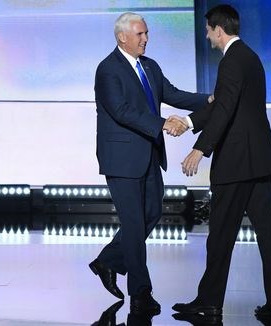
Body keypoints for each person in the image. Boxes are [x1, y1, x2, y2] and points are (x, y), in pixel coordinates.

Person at [171, 4, 271, 318]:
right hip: (260, 159)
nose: (208, 37)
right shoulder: (249, 57)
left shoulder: (231, 62)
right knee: (267, 234)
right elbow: (221, 103)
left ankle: (209, 301)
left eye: (208, 31)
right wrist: (189, 121)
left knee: (221, 235)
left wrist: (200, 148)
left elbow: (225, 109)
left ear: (218, 30)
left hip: (236, 163)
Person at [90, 12, 210, 315]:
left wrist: (210, 100)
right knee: (132, 224)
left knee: (152, 213)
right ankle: (141, 293)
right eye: (140, 34)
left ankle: (109, 260)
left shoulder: (150, 67)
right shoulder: (108, 70)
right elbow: (121, 110)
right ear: (123, 37)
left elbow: (173, 94)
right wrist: (162, 124)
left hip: (149, 155)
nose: (146, 39)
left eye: (146, 33)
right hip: (121, 159)